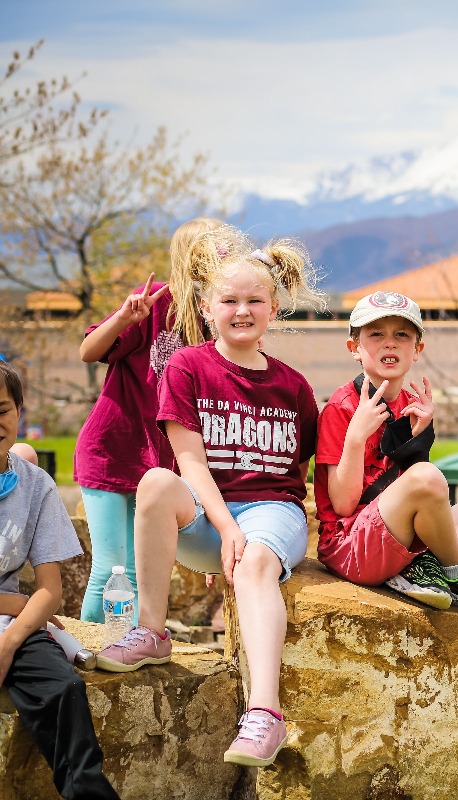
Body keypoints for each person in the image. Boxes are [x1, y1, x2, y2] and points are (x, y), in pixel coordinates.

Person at [94, 225, 323, 768]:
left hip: (273, 510)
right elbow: (189, 459)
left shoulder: (293, 386)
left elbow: (307, 471)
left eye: (254, 300)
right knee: (154, 481)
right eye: (229, 300)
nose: (242, 310)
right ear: (205, 305)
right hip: (208, 516)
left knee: (255, 563)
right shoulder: (187, 366)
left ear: (273, 308)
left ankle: (264, 713)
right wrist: (224, 527)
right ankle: (150, 631)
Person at [314, 291, 458, 615]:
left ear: (417, 349)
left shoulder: (410, 403)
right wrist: (356, 437)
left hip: (397, 533)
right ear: (354, 348)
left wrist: (421, 436)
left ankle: (426, 563)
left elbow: (422, 500)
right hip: (351, 547)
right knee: (427, 477)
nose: (390, 343)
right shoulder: (341, 407)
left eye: (402, 334)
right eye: (376, 334)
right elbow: (343, 505)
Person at [74, 217, 221, 623]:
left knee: (138, 573)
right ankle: (82, 657)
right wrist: (123, 319)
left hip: (158, 467)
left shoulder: (218, 322)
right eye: (210, 252)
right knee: (109, 570)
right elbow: (88, 351)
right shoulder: (154, 304)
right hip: (110, 449)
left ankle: (124, 650)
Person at [0, 362, 120, 799]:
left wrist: (10, 640)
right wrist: (17, 604)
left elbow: (52, 590)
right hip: (15, 610)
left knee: (65, 689)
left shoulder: (34, 486)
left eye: (2, 410)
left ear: (18, 413)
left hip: (13, 627)